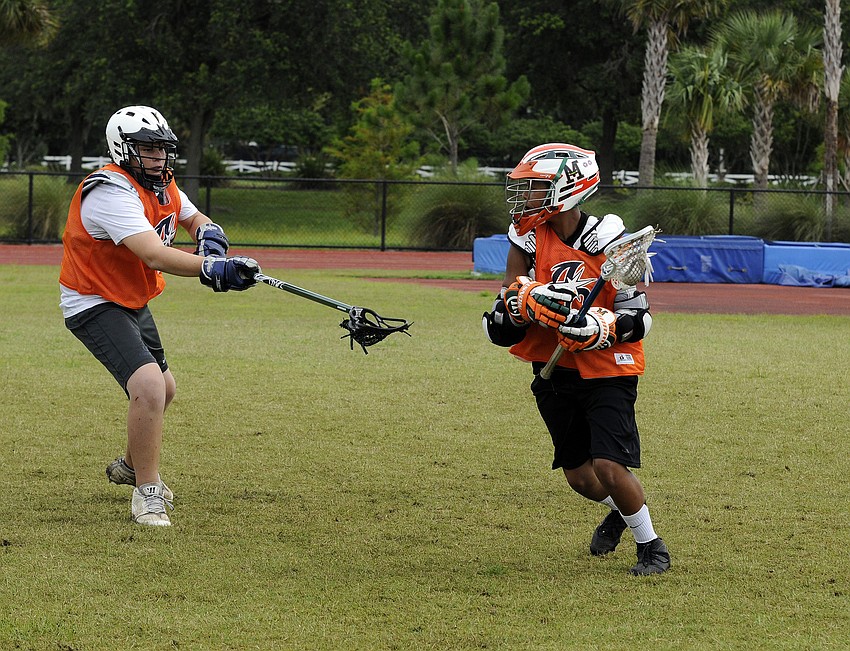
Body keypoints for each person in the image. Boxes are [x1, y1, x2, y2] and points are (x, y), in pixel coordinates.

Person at [59, 105, 261, 527]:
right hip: (93, 299)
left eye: (162, 149)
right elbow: (153, 254)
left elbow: (191, 215)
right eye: (148, 149)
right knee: (148, 384)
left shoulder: (162, 184)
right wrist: (209, 267)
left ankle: (132, 465)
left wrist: (209, 233)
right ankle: (147, 492)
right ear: (123, 149)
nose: (158, 158)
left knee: (164, 389)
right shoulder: (110, 190)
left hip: (131, 297)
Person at [481, 143, 670, 575]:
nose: (525, 197)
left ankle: (652, 546)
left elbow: (638, 319)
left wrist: (601, 327)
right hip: (553, 369)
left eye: (535, 188)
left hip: (607, 369)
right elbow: (502, 316)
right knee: (580, 477)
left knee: (608, 463)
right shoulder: (526, 240)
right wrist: (520, 307)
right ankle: (625, 511)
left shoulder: (612, 242)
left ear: (567, 187)